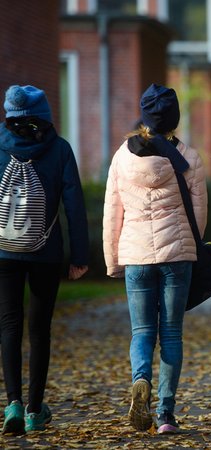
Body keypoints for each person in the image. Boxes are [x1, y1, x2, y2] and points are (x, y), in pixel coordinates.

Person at [103, 84, 207, 434]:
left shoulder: (122, 157)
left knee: (142, 331)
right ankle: (165, 414)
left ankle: (140, 380)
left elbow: (112, 213)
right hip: (178, 256)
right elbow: (199, 214)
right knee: (172, 333)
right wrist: (194, 248)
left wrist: (112, 260)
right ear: (174, 119)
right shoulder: (189, 157)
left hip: (136, 257)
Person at [0, 85, 89, 434]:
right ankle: (36, 409)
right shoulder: (60, 149)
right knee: (39, 331)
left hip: (4, 252)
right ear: (46, 116)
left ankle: (13, 406)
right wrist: (79, 256)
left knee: (9, 326)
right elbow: (74, 206)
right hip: (46, 253)